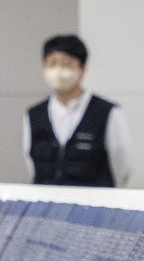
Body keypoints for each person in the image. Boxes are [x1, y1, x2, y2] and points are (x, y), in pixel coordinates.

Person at [23, 34, 133, 187]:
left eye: (67, 64)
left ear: (82, 69)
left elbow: (122, 166)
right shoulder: (34, 115)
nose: (58, 70)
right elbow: (31, 164)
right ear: (44, 66)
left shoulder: (108, 112)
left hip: (95, 204)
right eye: (52, 63)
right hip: (48, 205)